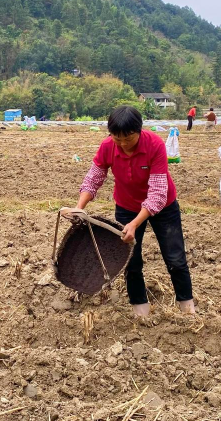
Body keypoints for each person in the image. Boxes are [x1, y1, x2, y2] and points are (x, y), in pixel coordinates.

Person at [62, 105, 195, 317]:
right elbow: (94, 178)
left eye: (128, 138)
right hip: (126, 207)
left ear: (139, 131)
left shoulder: (155, 145)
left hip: (164, 208)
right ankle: (140, 313)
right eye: (117, 139)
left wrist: (135, 223)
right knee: (131, 262)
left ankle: (187, 310)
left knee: (175, 259)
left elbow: (158, 193)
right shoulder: (107, 146)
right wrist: (79, 208)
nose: (123, 144)